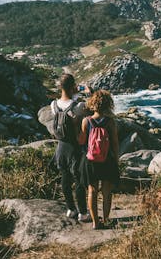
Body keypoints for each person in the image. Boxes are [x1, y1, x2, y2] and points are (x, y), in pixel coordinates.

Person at [50, 73, 91, 222]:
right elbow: (92, 107)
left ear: (60, 87)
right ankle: (83, 213)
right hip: (75, 147)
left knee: (65, 178)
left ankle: (70, 209)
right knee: (79, 180)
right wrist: (87, 92)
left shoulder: (53, 105)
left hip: (61, 147)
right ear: (73, 86)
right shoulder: (78, 106)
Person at [78, 90, 120, 230]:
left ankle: (96, 222)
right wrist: (116, 158)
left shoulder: (86, 121)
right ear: (108, 104)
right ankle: (106, 220)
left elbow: (82, 141)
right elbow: (114, 142)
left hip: (90, 160)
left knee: (92, 190)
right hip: (107, 160)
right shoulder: (110, 122)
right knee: (107, 191)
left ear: (93, 103)